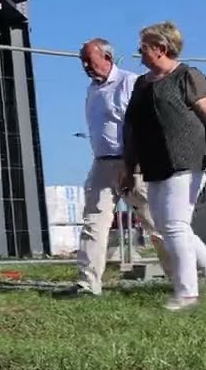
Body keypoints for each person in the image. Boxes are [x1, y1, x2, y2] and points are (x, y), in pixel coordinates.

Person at [122, 21, 206, 311]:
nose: (139, 52)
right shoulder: (142, 84)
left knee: (174, 226)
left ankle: (186, 294)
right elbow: (133, 128)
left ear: (160, 49)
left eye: (143, 48)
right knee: (170, 227)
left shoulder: (188, 76)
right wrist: (130, 167)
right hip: (155, 164)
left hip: (188, 160)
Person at [72, 38, 170, 296]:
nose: (85, 66)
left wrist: (133, 163)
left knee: (155, 222)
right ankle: (87, 283)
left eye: (89, 60)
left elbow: (143, 126)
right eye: (82, 61)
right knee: (94, 222)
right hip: (102, 164)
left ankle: (182, 278)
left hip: (133, 162)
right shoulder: (92, 89)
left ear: (107, 57)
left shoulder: (130, 82)